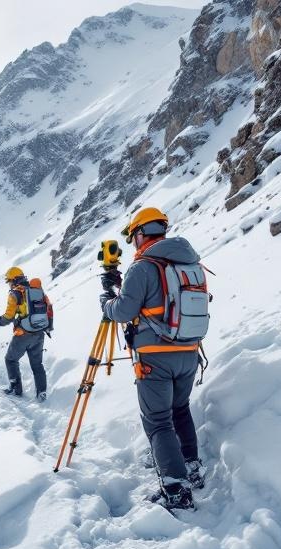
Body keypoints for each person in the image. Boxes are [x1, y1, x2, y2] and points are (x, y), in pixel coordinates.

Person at [100, 207, 204, 511]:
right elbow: (156, 301)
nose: (134, 242)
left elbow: (123, 312)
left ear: (141, 233)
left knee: (158, 422)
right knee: (179, 409)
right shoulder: (189, 261)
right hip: (189, 352)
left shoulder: (143, 266)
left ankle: (176, 489)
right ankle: (191, 467)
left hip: (155, 357)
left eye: (134, 236)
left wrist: (107, 302)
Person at [0, 267, 51, 402]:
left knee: (11, 360)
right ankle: (41, 392)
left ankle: (16, 389)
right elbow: (48, 307)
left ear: (13, 280)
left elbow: (9, 316)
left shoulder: (15, 293)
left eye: (9, 281)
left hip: (23, 334)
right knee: (37, 364)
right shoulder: (36, 290)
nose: (9, 284)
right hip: (39, 332)